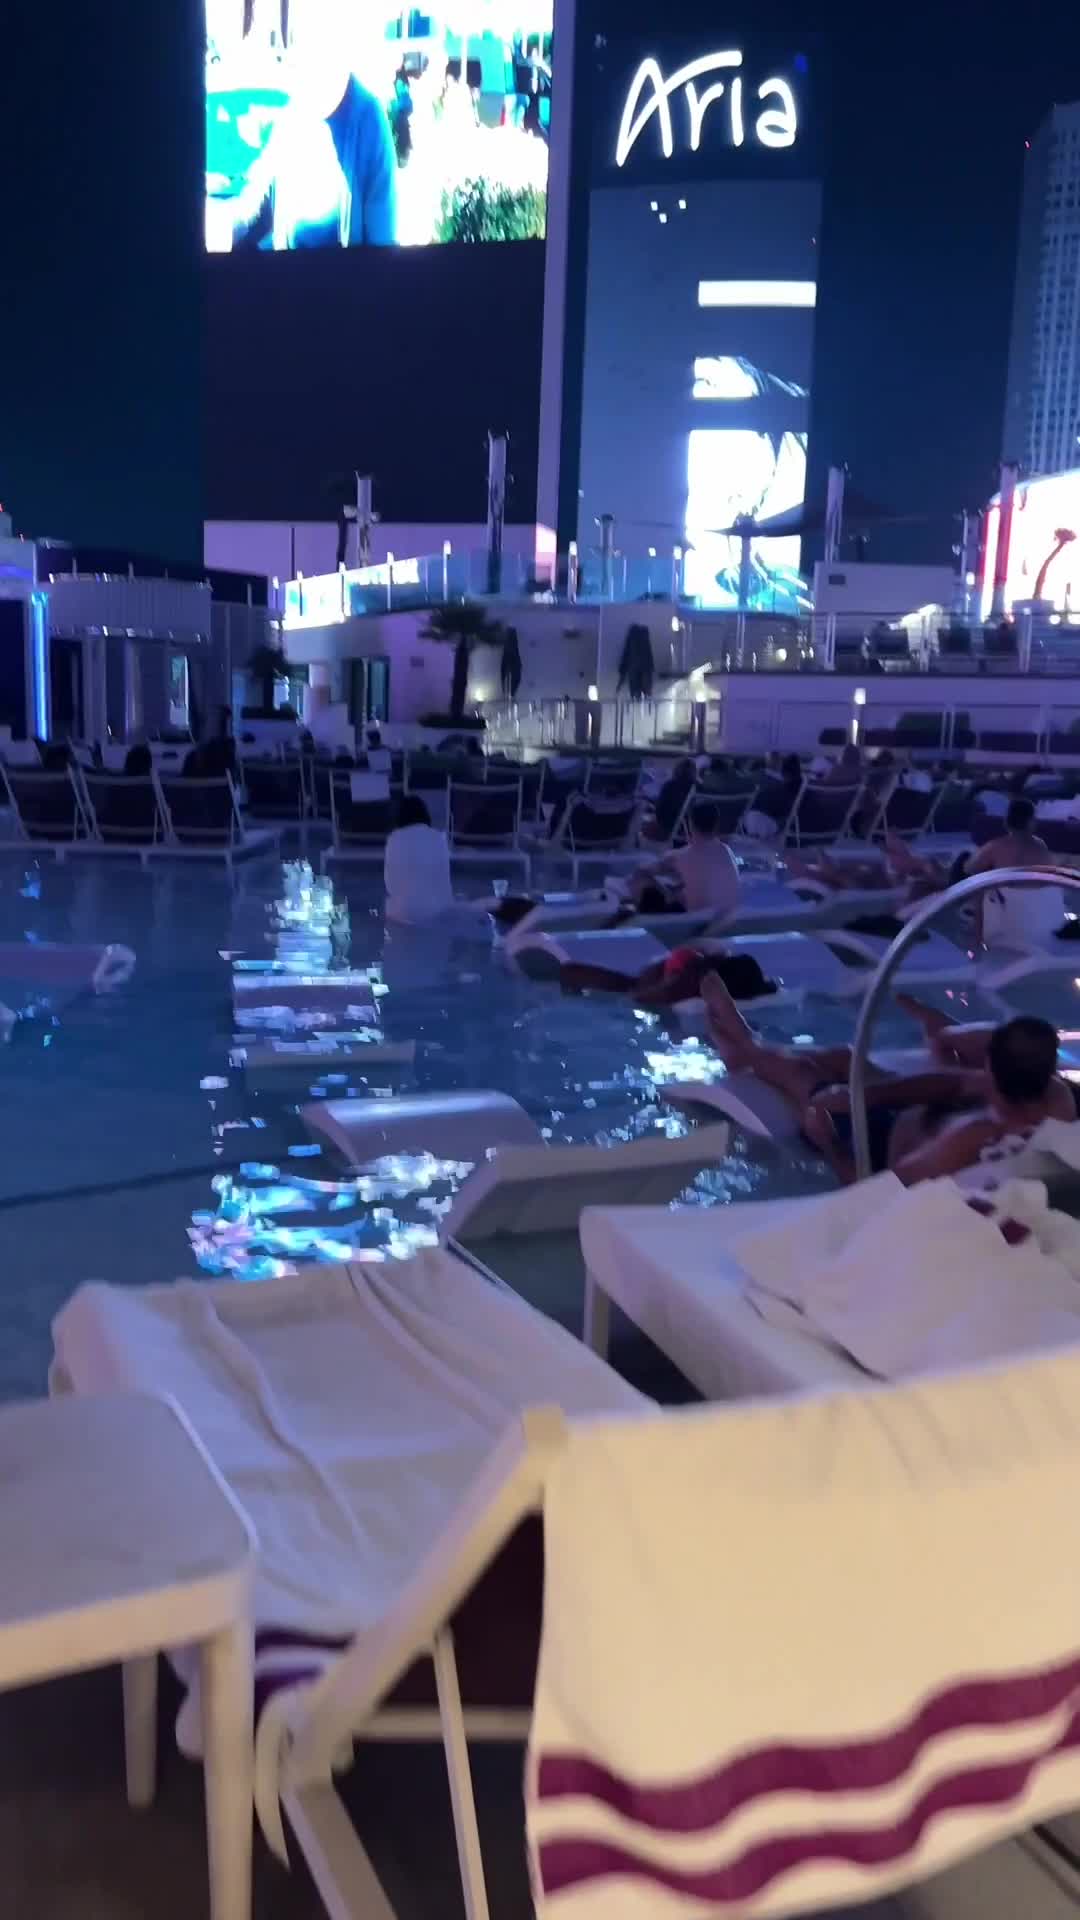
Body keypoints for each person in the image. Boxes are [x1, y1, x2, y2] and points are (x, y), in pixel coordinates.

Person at [702, 975, 1076, 1185]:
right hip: (908, 1115)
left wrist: (828, 1142)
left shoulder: (969, 1139)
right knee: (846, 1059)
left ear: (993, 1067)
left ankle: (747, 1046)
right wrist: (865, 1096)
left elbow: (876, 1193)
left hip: (873, 1145)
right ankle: (748, 1051)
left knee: (805, 1079)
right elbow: (952, 1085)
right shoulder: (1054, 1100)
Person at [560, 943, 776, 1008]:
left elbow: (637, 996)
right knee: (629, 988)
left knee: (629, 986)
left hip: (690, 964)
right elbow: (637, 996)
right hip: (685, 967)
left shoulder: (692, 978)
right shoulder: (689, 979)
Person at [629, 800, 740, 918]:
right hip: (723, 921)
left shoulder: (680, 856)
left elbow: (642, 871)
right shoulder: (727, 852)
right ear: (716, 825)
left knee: (645, 882)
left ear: (690, 824)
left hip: (692, 923)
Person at [383, 795, 454, 926]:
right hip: (436, 911)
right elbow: (444, 879)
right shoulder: (439, 838)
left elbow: (389, 883)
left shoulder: (393, 839)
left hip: (401, 913)